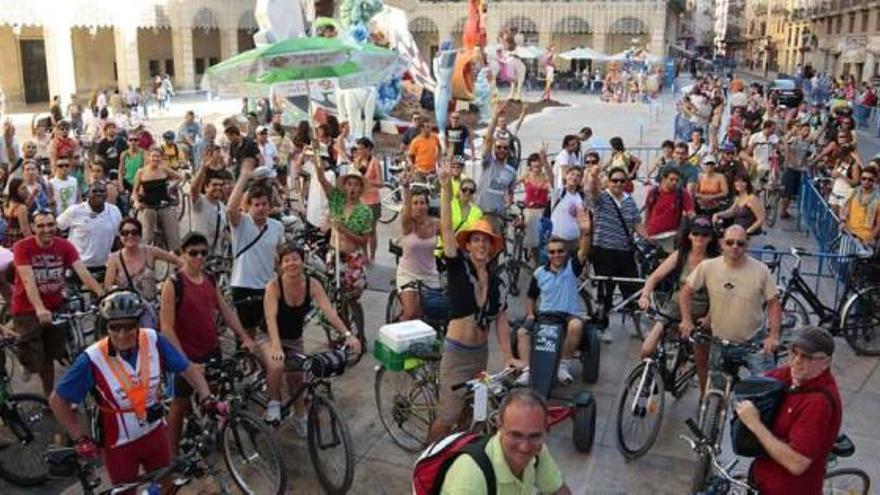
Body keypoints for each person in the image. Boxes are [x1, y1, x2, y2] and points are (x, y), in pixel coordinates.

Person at [49, 291, 215, 487]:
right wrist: (79, 438)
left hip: (156, 434)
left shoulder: (154, 340)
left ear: (138, 324)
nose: (122, 334)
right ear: (106, 327)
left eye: (129, 327)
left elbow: (187, 368)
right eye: (115, 328)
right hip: (120, 446)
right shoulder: (92, 358)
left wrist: (207, 397)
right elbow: (57, 400)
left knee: (166, 487)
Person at [429, 160, 513, 442]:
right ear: (468, 244)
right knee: (448, 416)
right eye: (476, 240)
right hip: (457, 354)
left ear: (492, 248)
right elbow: (446, 229)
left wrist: (508, 354)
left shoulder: (496, 279)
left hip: (480, 354)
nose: (481, 245)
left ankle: (458, 454)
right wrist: (444, 189)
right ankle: (426, 462)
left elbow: (500, 318)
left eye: (486, 241)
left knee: (470, 413)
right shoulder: (458, 266)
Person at [160, 232, 256, 449]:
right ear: (182, 255)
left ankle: (210, 432)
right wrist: (185, 362)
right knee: (179, 404)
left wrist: (244, 337)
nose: (199, 258)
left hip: (211, 348)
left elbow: (225, 310)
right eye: (193, 253)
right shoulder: (173, 284)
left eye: (203, 253)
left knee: (212, 393)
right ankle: (171, 451)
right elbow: (166, 327)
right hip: (185, 354)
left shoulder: (210, 278)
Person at [262, 243, 362, 427]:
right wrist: (276, 345)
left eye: (295, 259)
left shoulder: (312, 284)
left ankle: (300, 416)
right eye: (286, 260)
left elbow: (329, 312)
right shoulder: (274, 286)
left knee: (297, 378)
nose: (291, 264)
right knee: (276, 366)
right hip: (269, 337)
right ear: (280, 265)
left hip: (294, 338)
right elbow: (270, 318)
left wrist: (348, 334)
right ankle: (274, 403)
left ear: (303, 261)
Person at [11, 209, 104, 396]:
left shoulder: (65, 246)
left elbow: (82, 272)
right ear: (32, 228)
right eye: (41, 225)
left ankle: (51, 399)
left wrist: (103, 294)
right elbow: (28, 280)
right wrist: (39, 308)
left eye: (50, 224)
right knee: (31, 354)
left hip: (55, 307)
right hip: (28, 309)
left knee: (49, 357)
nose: (47, 229)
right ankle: (27, 363)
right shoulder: (23, 247)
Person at [739, 327, 842, 495]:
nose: (796, 362)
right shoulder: (791, 374)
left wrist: (755, 424)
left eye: (806, 357)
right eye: (793, 352)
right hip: (761, 480)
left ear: (826, 362)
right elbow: (760, 384)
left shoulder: (818, 404)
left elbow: (797, 463)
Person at [680, 225, 781, 377]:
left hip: (753, 342)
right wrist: (686, 320)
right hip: (720, 342)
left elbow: (773, 303)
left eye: (740, 243)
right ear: (721, 243)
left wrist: (773, 336)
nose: (735, 247)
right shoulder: (708, 267)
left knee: (767, 388)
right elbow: (685, 292)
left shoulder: (761, 270)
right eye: (730, 242)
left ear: (747, 245)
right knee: (715, 389)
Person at [638, 217, 719, 391]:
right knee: (647, 348)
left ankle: (704, 400)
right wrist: (645, 296)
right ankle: (648, 378)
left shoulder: (715, 262)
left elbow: (720, 296)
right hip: (675, 306)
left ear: (711, 238)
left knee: (701, 361)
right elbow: (654, 277)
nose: (699, 238)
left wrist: (709, 317)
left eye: (704, 235)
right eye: (695, 233)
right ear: (689, 236)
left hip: (703, 310)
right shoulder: (681, 255)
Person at [440, 388, 572, 495]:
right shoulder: (469, 479)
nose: (525, 447)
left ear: (544, 430)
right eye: (516, 435)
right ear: (499, 426)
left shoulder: (538, 452)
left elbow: (558, 489)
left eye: (535, 436)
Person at [517, 216, 591, 385]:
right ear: (547, 254)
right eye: (552, 252)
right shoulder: (539, 273)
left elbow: (583, 252)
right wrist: (530, 314)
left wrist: (586, 233)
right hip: (545, 316)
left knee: (577, 325)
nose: (556, 255)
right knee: (522, 333)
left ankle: (562, 366)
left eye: (560, 251)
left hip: (567, 316)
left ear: (565, 253)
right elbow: (531, 296)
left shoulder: (572, 268)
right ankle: (527, 369)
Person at [588, 166, 649, 341]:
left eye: (622, 181)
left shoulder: (630, 201)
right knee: (605, 291)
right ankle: (602, 325)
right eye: (615, 180)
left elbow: (637, 223)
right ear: (608, 181)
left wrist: (650, 239)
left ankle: (636, 324)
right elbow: (592, 192)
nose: (618, 184)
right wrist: (593, 175)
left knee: (633, 290)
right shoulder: (602, 198)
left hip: (625, 252)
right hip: (604, 251)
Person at [227, 161, 285, 333]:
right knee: (247, 335)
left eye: (264, 204)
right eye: (256, 205)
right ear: (249, 206)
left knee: (271, 331)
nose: (260, 208)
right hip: (243, 286)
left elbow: (279, 257)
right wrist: (244, 177)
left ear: (269, 205)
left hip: (267, 287)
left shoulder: (276, 226)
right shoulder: (242, 223)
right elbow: (230, 209)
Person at [105, 218, 181, 328]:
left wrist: (176, 278)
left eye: (134, 232)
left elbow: (178, 261)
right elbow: (108, 287)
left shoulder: (150, 251)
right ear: (120, 236)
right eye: (125, 233)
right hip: (129, 313)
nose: (130, 236)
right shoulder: (114, 259)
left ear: (140, 235)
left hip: (153, 308)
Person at [313, 160, 373, 299]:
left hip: (352, 257)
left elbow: (364, 240)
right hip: (334, 255)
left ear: (360, 188)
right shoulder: (336, 200)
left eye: (356, 185)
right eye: (349, 184)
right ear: (344, 186)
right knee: (331, 295)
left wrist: (344, 230)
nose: (352, 188)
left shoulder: (365, 211)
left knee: (352, 297)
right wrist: (317, 156)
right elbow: (321, 179)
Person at [57, 180, 122, 282]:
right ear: (88, 193)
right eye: (94, 191)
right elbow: (57, 228)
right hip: (78, 267)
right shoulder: (74, 210)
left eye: (102, 191)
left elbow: (118, 239)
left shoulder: (115, 211)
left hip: (104, 267)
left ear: (106, 194)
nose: (98, 193)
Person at [396, 178, 441, 321]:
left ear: (427, 205)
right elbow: (406, 211)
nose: (419, 207)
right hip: (408, 274)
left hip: (430, 275)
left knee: (434, 313)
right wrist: (406, 187)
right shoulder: (408, 224)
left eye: (422, 203)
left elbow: (450, 238)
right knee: (411, 313)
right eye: (415, 203)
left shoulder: (435, 224)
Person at [132, 147, 183, 251]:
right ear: (149, 157)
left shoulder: (164, 169)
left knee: (174, 238)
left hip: (164, 205)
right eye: (153, 156)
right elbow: (135, 190)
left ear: (161, 158)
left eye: (158, 156)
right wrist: (136, 202)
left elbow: (180, 177)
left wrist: (172, 187)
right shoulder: (141, 172)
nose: (155, 159)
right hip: (148, 206)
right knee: (146, 237)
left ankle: (176, 259)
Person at [478, 108, 517, 232]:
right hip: (482, 214)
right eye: (499, 147)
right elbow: (488, 139)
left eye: (505, 148)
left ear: (508, 150)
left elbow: (510, 193)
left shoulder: (512, 172)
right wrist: (495, 116)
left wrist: (508, 205)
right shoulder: (488, 162)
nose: (502, 150)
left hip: (499, 217)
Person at [181, 165, 231, 257]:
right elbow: (194, 189)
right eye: (214, 185)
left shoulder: (223, 208)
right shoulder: (200, 202)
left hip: (217, 258)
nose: (218, 188)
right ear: (206, 187)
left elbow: (225, 233)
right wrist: (204, 166)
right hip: (198, 256)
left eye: (221, 185)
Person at [645, 167, 695, 253]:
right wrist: (646, 232)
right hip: (652, 235)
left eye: (677, 180)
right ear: (664, 178)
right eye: (671, 179)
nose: (674, 182)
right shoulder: (653, 192)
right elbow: (647, 211)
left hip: (670, 235)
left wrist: (698, 222)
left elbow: (690, 212)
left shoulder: (682, 194)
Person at [519, 148, 552, 260]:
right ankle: (531, 256)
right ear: (530, 164)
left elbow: (552, 180)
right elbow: (511, 185)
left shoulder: (545, 177)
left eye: (539, 161)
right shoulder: (526, 176)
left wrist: (546, 160)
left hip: (542, 210)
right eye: (534, 161)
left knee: (542, 241)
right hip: (529, 211)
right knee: (531, 241)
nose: (536, 163)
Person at [354, 137, 382, 261]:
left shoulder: (375, 162)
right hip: (360, 200)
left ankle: (373, 256)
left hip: (373, 200)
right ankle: (364, 255)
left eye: (361, 149)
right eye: (358, 149)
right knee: (361, 231)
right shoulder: (358, 161)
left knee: (371, 231)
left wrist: (367, 182)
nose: (359, 151)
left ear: (368, 148)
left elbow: (381, 183)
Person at [840, 165, 880, 247]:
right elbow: (843, 208)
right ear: (861, 178)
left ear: (874, 180)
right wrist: (843, 221)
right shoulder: (853, 192)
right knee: (842, 260)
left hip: (864, 239)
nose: (866, 181)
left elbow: (878, 224)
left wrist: (870, 238)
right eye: (864, 178)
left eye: (870, 179)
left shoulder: (878, 199)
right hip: (848, 234)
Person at [780, 122, 814, 219]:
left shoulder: (808, 143)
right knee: (787, 191)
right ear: (800, 130)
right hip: (791, 168)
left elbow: (807, 156)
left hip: (801, 169)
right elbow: (789, 151)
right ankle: (783, 210)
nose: (806, 132)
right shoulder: (794, 140)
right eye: (805, 130)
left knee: (793, 192)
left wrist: (806, 164)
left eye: (808, 130)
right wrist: (795, 164)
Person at [2, 178, 31, 248]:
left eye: (26, 187)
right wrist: (33, 243)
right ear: (15, 191)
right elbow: (25, 231)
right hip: (20, 241)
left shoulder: (8, 203)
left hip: (9, 239)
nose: (27, 190)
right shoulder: (21, 207)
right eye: (23, 188)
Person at [48, 152, 79, 217]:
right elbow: (50, 203)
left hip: (74, 216)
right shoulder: (51, 183)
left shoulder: (74, 180)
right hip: (60, 217)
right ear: (56, 167)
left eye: (66, 165)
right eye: (60, 166)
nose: (64, 168)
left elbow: (79, 199)